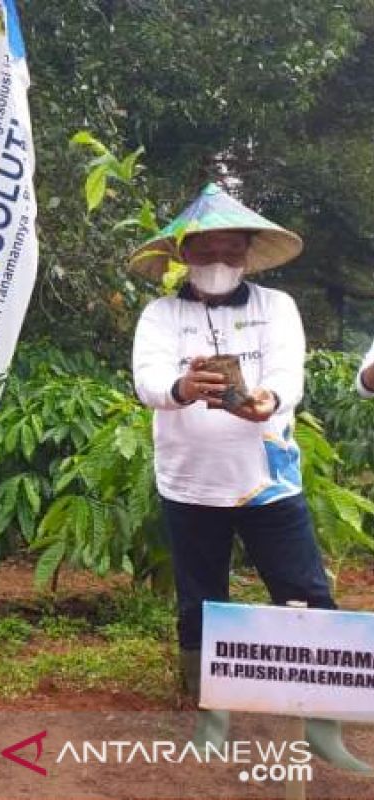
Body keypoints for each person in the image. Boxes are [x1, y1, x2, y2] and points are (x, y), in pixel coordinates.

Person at [131, 183, 369, 771]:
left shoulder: (275, 308)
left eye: (231, 251)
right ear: (184, 254)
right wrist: (182, 389)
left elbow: (289, 374)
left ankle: (324, 727)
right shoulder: (161, 314)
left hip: (267, 480)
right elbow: (148, 381)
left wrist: (269, 399)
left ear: (247, 254)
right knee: (201, 602)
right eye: (207, 251)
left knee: (307, 595)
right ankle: (211, 720)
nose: (219, 263)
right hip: (188, 483)